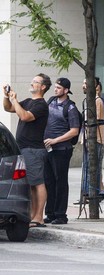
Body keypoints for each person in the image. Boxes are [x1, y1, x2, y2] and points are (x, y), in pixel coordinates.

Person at [3, 74, 51, 227]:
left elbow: (24, 116)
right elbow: (9, 108)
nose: (31, 82)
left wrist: (15, 100)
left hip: (33, 149)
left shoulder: (41, 105)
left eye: (35, 81)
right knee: (30, 183)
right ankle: (32, 215)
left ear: (43, 87)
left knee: (37, 183)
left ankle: (39, 217)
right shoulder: (29, 101)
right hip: (23, 148)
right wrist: (7, 97)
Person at [43, 78, 80, 225]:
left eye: (59, 88)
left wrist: (55, 140)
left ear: (66, 90)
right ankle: (50, 213)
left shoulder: (70, 108)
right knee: (49, 181)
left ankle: (60, 215)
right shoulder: (51, 101)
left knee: (60, 182)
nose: (55, 89)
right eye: (55, 87)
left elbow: (74, 131)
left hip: (61, 149)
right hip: (48, 149)